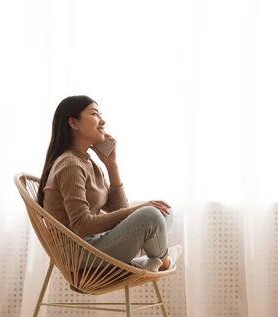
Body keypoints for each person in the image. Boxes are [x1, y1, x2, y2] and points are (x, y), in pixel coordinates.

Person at [37, 95, 182, 272]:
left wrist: (111, 166)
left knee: (163, 210)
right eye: (95, 114)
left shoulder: (88, 162)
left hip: (97, 244)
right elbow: (82, 225)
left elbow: (118, 209)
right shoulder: (70, 164)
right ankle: (162, 260)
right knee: (150, 214)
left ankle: (153, 260)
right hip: (80, 253)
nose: (102, 121)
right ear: (74, 123)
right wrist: (139, 209)